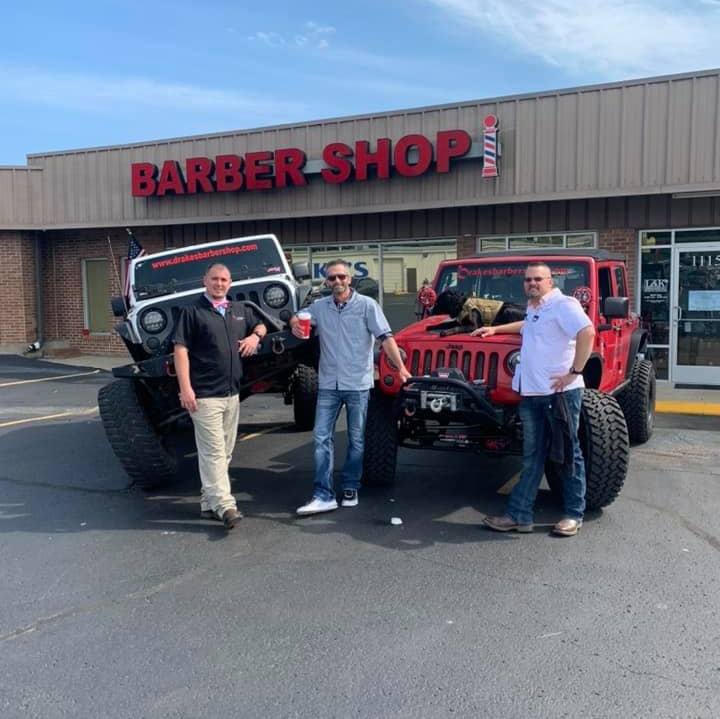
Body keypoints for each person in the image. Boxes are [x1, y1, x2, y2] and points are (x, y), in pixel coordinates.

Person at [474, 262, 595, 537]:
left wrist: (575, 372)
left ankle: (573, 515)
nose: (532, 283)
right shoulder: (534, 307)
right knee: (532, 458)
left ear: (550, 281)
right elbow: (529, 325)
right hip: (531, 395)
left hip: (560, 395)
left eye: (538, 279)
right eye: (528, 279)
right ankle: (519, 516)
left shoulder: (564, 305)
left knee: (568, 455)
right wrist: (495, 330)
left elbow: (587, 332)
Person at [290, 259, 412, 515]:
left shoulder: (367, 306)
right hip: (328, 384)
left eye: (341, 277)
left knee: (356, 439)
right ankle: (323, 494)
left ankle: (350, 486)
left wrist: (400, 368)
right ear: (326, 281)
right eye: (332, 278)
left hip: (357, 384)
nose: (337, 281)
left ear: (350, 279)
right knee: (321, 438)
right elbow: (300, 319)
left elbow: (385, 338)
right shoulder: (319, 307)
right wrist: (294, 322)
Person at [173, 263, 267, 530]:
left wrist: (255, 337)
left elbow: (261, 325)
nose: (219, 283)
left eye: (224, 279)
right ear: (205, 280)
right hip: (204, 396)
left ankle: (208, 503)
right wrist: (186, 388)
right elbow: (180, 350)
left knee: (224, 452)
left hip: (232, 394)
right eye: (214, 279)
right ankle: (225, 505)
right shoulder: (191, 311)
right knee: (214, 452)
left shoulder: (237, 309)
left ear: (230, 283)